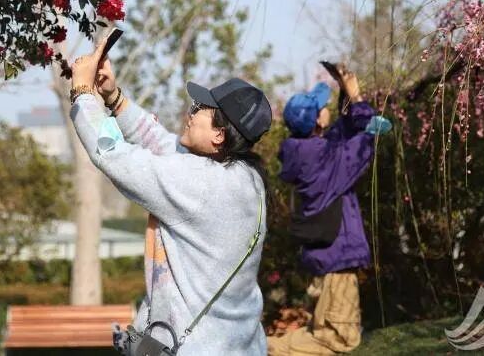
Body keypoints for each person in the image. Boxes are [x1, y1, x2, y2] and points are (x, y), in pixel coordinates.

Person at [67, 38, 272, 356]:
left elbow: (112, 153)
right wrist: (114, 98)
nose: (191, 113)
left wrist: (83, 92)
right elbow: (163, 145)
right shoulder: (247, 178)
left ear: (219, 134)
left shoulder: (199, 184)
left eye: (201, 109)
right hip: (240, 345)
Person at [267, 64, 390, 355]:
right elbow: (372, 131)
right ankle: (257, 348)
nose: (326, 110)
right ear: (317, 122)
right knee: (339, 340)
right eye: (322, 107)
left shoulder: (307, 152)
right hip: (336, 260)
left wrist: (346, 95)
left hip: (325, 257)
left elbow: (344, 132)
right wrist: (358, 98)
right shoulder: (326, 158)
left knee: (321, 333)